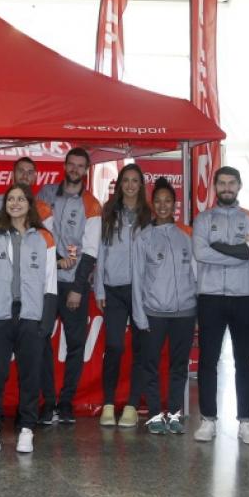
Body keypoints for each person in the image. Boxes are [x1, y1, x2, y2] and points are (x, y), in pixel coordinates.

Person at [0, 183, 56, 454]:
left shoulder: (44, 238)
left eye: (20, 199)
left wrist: (46, 322)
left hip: (31, 316)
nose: (15, 203)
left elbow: (50, 282)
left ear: (29, 204)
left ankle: (26, 429)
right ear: (5, 205)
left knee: (30, 376)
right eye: (10, 199)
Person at [191, 166, 249, 444]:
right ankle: (208, 420)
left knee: (244, 361)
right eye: (221, 183)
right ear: (215, 186)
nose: (226, 188)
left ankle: (245, 421)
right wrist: (237, 253)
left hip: (245, 297)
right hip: (210, 297)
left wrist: (217, 247)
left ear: (239, 185)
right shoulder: (203, 219)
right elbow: (200, 252)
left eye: (232, 183)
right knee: (208, 360)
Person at [36, 147, 101, 424]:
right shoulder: (46, 194)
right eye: (71, 164)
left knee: (75, 345)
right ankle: (48, 402)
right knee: (41, 341)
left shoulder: (92, 204)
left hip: (74, 285)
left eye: (80, 166)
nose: (75, 169)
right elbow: (37, 235)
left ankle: (65, 403)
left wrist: (77, 287)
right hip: (47, 284)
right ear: (64, 166)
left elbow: (91, 250)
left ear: (86, 170)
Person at [132, 177, 197, 436]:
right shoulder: (143, 238)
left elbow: (196, 274)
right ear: (152, 204)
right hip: (153, 313)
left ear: (174, 204)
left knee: (179, 366)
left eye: (167, 201)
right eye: (158, 201)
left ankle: (175, 414)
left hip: (185, 312)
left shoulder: (187, 235)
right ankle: (155, 415)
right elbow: (137, 279)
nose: (162, 206)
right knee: (151, 366)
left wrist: (197, 310)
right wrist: (140, 316)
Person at [94, 163, 151, 428]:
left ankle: (131, 406)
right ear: (119, 185)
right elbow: (100, 251)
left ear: (141, 185)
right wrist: (99, 288)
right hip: (114, 289)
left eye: (135, 181)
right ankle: (108, 404)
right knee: (114, 346)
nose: (130, 185)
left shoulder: (148, 216)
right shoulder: (108, 212)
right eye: (125, 180)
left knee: (141, 348)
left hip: (142, 291)